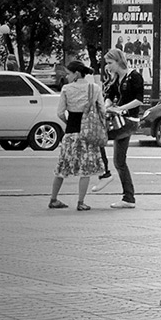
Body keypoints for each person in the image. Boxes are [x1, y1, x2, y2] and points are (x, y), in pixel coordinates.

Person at [48, 61, 105, 211]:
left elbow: (60, 112)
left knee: (62, 167)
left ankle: (53, 199)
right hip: (87, 134)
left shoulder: (66, 89)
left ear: (77, 74)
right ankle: (81, 202)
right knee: (85, 170)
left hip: (70, 133)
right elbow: (102, 111)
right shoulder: (95, 88)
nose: (67, 76)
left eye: (69, 73)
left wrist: (67, 122)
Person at [103, 48, 143, 209]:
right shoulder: (116, 78)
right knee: (119, 161)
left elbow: (139, 100)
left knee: (98, 135)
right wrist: (108, 106)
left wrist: (120, 109)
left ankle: (104, 174)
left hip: (129, 120)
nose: (108, 66)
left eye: (110, 63)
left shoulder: (134, 76)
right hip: (120, 120)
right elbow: (108, 97)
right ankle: (128, 198)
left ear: (119, 61)